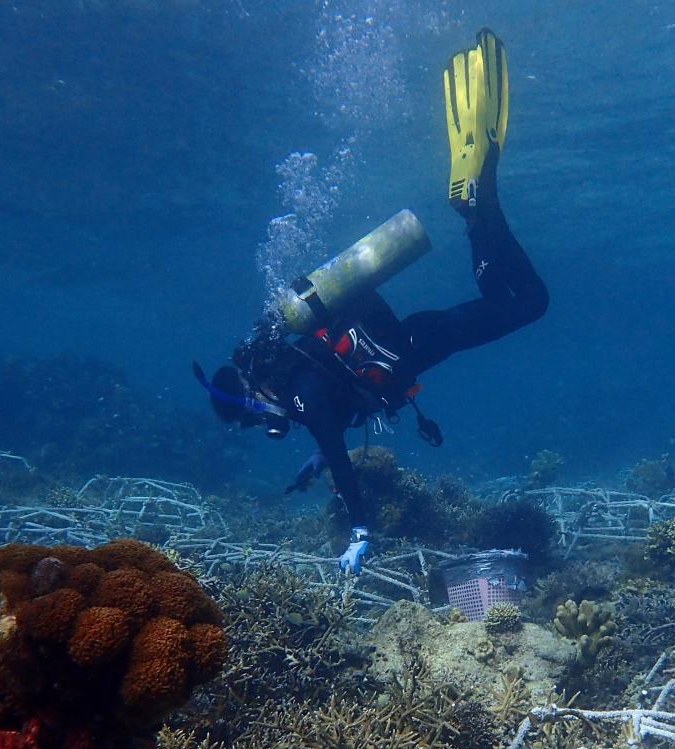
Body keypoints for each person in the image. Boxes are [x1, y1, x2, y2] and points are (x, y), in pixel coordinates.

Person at [198, 28, 548, 574]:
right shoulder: (299, 378)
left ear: (250, 394)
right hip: (420, 337)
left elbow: (338, 448)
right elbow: (331, 427)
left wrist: (360, 530)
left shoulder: (301, 389)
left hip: (426, 338)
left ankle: (481, 204)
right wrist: (317, 456)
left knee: (530, 303)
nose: (263, 426)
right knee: (509, 300)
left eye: (249, 420)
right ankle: (479, 215)